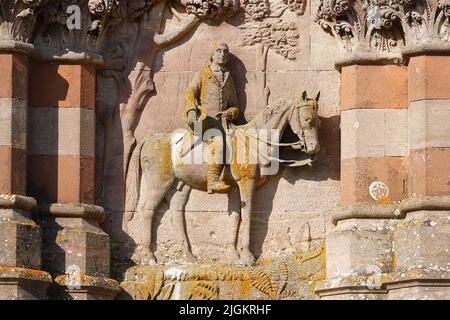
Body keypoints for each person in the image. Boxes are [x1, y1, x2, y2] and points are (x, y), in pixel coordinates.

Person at [183, 40, 241, 194]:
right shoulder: (203, 74)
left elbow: (235, 104)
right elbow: (190, 93)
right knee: (218, 141)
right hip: (205, 121)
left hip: (224, 123)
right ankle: (213, 181)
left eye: (225, 51)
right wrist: (191, 111)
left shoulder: (228, 77)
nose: (222, 54)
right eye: (218, 51)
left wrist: (231, 112)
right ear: (212, 54)